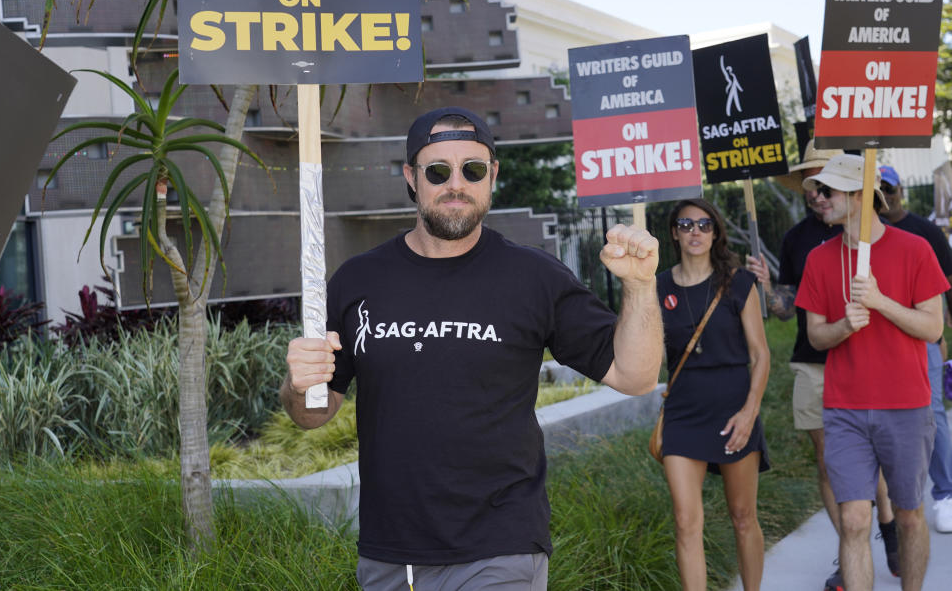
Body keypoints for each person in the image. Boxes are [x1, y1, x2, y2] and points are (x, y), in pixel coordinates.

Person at [281, 107, 664, 590]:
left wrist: (640, 286)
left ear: (492, 176)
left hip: (501, 545)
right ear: (411, 178)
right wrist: (301, 385)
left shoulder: (534, 278)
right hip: (390, 554)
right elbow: (313, 413)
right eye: (438, 171)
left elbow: (636, 376)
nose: (456, 183)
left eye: (473, 169)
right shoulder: (358, 280)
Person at [746, 141, 899, 589]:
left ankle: (889, 528)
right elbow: (784, 309)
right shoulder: (796, 239)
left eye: (824, 181)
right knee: (829, 462)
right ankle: (847, 550)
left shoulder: (870, 230)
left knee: (875, 461)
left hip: (867, 362)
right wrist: (768, 287)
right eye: (811, 183)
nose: (816, 192)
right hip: (813, 362)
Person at [796, 154, 949, 591]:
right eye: (815, 191)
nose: (817, 198)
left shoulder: (915, 249)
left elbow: (933, 327)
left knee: (908, 515)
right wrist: (844, 325)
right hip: (844, 407)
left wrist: (880, 302)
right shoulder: (819, 259)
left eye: (827, 191)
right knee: (854, 517)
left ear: (861, 197)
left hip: (906, 406)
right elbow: (816, 337)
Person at [657, 198, 770, 591]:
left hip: (734, 411)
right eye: (686, 224)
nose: (695, 232)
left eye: (704, 225)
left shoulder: (738, 282)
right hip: (683, 413)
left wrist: (749, 412)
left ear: (716, 232)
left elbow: (760, 354)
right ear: (674, 232)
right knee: (686, 522)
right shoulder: (659, 286)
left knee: (742, 516)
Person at [879, 164, 952, 535]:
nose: (884, 196)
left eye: (888, 189)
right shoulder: (865, 238)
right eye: (877, 189)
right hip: (877, 345)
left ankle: (946, 492)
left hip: (923, 342)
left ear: (901, 190)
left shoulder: (924, 234)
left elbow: (947, 288)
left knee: (933, 412)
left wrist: (943, 340)